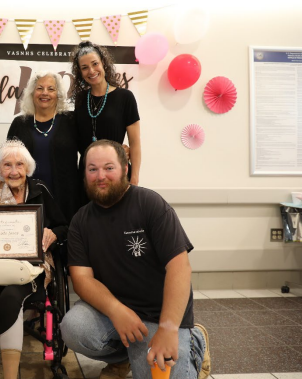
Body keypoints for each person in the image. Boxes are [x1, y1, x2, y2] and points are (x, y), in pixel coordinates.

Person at [59, 140, 210, 379]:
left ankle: (194, 340)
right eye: (92, 169)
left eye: (109, 168)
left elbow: (180, 267)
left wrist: (168, 328)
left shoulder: (150, 205)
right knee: (74, 328)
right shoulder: (80, 221)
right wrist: (116, 310)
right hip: (115, 315)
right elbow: (81, 279)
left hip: (159, 316)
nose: (101, 176)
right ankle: (124, 358)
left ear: (125, 168)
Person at [0, 140, 68, 379]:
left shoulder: (40, 190)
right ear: (0, 169)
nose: (14, 171)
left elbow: (63, 226)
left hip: (30, 269)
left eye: (19, 164)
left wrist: (54, 233)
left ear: (27, 167)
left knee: (11, 296)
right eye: (7, 165)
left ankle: (9, 376)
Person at [7, 71, 80, 224]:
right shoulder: (19, 123)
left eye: (51, 89)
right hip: (28, 198)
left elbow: (89, 149)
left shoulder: (72, 121)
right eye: (40, 88)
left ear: (58, 94)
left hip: (66, 197)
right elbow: (7, 160)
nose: (44, 93)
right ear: (32, 93)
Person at [70, 40, 142, 186]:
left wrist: (134, 179)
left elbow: (135, 143)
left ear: (103, 62)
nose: (91, 71)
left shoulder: (125, 97)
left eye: (95, 64)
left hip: (115, 174)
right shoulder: (80, 99)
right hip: (87, 176)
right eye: (85, 67)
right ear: (80, 72)